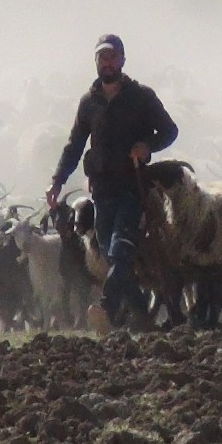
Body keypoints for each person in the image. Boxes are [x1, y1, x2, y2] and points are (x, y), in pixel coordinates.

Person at [47, 34, 179, 334]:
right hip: (102, 190)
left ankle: (106, 307)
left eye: (112, 57)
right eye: (101, 57)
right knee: (110, 254)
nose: (107, 63)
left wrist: (147, 145)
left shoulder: (141, 96)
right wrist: (57, 181)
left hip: (133, 187)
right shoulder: (88, 103)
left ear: (122, 59)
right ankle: (143, 318)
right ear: (96, 62)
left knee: (120, 250)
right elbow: (74, 145)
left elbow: (170, 131)